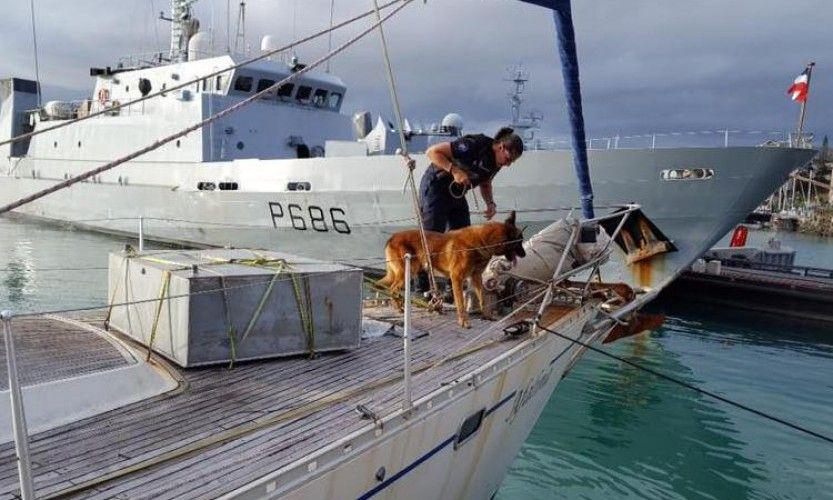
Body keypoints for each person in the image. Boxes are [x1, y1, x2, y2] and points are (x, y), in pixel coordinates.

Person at [417, 126, 524, 293]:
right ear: (501, 147)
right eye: (508, 159)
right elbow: (432, 152)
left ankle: (452, 288)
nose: (508, 164)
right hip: (436, 188)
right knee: (433, 238)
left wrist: (490, 203)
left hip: (457, 194)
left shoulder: (496, 163)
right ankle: (422, 288)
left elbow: (485, 182)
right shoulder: (475, 145)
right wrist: (455, 171)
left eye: (512, 162)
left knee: (464, 240)